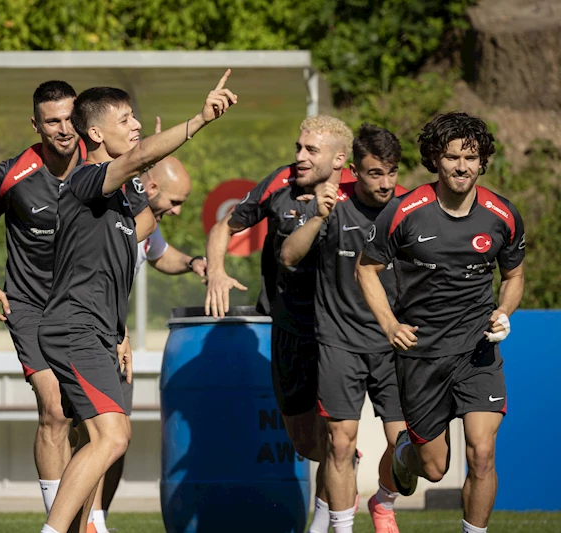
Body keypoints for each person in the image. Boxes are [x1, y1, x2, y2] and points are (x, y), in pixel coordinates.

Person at [37, 70, 237, 533]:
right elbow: (141, 155)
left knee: (102, 438)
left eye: (136, 119)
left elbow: (147, 229)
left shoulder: (121, 205)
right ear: (95, 133)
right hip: (73, 327)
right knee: (113, 435)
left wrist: (120, 332)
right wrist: (198, 121)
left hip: (96, 332)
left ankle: (75, 528)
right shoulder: (86, 180)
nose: (135, 125)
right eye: (125, 119)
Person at [0, 81, 154, 520]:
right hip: (31, 305)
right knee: (54, 410)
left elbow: (143, 221)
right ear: (36, 124)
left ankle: (91, 519)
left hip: (87, 308)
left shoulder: (106, 168)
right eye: (52, 121)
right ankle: (60, 519)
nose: (63, 129)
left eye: (70, 118)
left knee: (98, 422)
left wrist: (114, 317)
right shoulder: (13, 173)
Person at [356, 112, 525, 533]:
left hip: (477, 351)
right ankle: (400, 459)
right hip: (422, 355)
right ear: (436, 159)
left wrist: (504, 312)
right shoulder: (404, 211)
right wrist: (390, 325)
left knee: (482, 453)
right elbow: (366, 268)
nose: (462, 167)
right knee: (432, 469)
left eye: (470, 157)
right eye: (451, 157)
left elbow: (515, 276)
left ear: (483, 160)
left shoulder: (501, 214)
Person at [205, 115, 354, 533]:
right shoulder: (279, 183)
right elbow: (224, 227)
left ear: (339, 158)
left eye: (311, 150)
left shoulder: (358, 193)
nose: (300, 157)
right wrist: (216, 270)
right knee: (306, 444)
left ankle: (328, 522)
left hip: (340, 332)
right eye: (298, 147)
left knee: (338, 440)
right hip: (288, 326)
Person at [279, 124, 408, 532]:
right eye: (374, 173)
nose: (385, 183)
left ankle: (383, 500)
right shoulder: (333, 205)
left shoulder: (409, 210)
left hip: (394, 345)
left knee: (409, 446)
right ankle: (341, 527)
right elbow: (288, 255)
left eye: (391, 172)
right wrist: (318, 217)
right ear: (354, 169)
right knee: (338, 443)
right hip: (338, 343)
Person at [88, 153, 206, 533]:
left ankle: (96, 519)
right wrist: (117, 332)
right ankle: (70, 521)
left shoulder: (148, 221)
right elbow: (95, 278)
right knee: (91, 433)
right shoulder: (110, 212)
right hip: (88, 334)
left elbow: (160, 255)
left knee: (118, 436)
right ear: (151, 187)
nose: (176, 211)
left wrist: (193, 262)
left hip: (114, 339)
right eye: (175, 201)